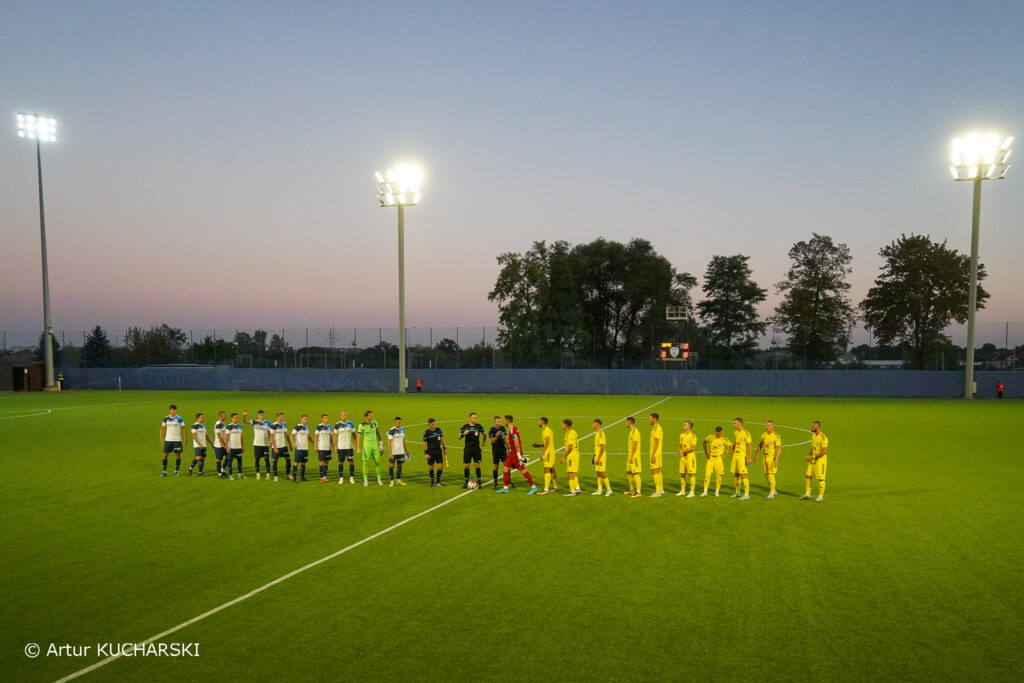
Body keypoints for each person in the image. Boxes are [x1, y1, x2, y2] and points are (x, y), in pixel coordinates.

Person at [497, 415, 536, 494]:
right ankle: (505, 488)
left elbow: (516, 442)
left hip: (515, 455)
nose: (504, 422)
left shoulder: (512, 430)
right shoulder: (512, 429)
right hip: (511, 454)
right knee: (505, 468)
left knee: (522, 470)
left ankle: (533, 487)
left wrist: (518, 454)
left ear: (507, 421)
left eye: (505, 420)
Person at [752, 420, 782, 499]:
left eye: (769, 425)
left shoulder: (776, 436)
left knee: (771, 475)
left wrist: (776, 459)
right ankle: (774, 490)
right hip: (764, 457)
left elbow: (779, 448)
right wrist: (755, 456)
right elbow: (760, 445)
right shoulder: (764, 435)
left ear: (773, 426)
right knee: (766, 475)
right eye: (766, 425)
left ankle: (771, 494)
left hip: (771, 458)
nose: (767, 427)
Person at [801, 421, 828, 502]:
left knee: (820, 478)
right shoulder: (814, 436)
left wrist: (812, 457)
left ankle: (820, 497)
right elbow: (813, 447)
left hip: (820, 461)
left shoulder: (823, 438)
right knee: (808, 475)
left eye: (812, 426)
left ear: (817, 427)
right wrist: (809, 455)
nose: (811, 428)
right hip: (813, 459)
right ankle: (807, 494)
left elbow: (824, 451)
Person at [700, 426, 730, 498]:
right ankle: (705, 492)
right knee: (707, 475)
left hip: (718, 460)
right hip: (710, 459)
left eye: (721, 434)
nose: (720, 435)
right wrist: (706, 453)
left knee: (718, 476)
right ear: (715, 432)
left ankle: (717, 492)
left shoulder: (724, 439)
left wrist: (726, 454)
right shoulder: (710, 437)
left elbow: (732, 446)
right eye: (718, 434)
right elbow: (704, 443)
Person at [242, 409, 272, 480]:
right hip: (257, 444)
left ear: (264, 415)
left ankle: (268, 474)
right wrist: (244, 416)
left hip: (265, 445)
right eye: (260, 415)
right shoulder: (254, 422)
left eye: (262, 415)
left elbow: (270, 433)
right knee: (257, 459)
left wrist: (270, 441)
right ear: (258, 415)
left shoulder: (268, 423)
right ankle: (258, 473)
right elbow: (244, 421)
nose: (261, 416)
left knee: (266, 459)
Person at [356, 410, 384, 486]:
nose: (372, 417)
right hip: (366, 446)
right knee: (365, 462)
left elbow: (377, 432)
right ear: (366, 416)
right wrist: (358, 448)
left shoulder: (374, 422)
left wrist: (381, 442)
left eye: (372, 415)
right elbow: (358, 436)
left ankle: (379, 479)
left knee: (378, 461)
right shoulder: (361, 425)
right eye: (370, 416)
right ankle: (365, 480)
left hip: (375, 445)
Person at [459, 412, 486, 489]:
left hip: (476, 449)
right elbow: (459, 437)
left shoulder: (479, 426)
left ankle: (479, 482)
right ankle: (466, 482)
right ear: (470, 418)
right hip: (468, 448)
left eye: (476, 418)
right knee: (467, 465)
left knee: (477, 465)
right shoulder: (465, 427)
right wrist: (463, 434)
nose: (475, 419)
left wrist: (483, 445)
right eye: (474, 418)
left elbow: (484, 434)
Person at [533, 417, 558, 495]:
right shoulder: (547, 430)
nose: (538, 422)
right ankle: (555, 487)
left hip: (549, 453)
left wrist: (542, 452)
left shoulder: (546, 430)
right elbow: (547, 442)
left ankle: (546, 490)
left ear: (542, 422)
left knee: (546, 469)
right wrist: (539, 445)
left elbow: (547, 442)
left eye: (539, 421)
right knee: (552, 470)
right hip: (551, 451)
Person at [159, 404, 185, 477]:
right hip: (168, 440)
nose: (174, 411)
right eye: (172, 410)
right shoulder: (166, 418)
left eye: (175, 410)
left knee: (178, 455)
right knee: (165, 455)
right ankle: (164, 471)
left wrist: (185, 438)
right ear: (170, 410)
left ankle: (176, 471)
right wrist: (161, 438)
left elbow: (184, 428)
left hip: (177, 440)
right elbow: (162, 428)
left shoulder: (179, 418)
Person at [729, 417, 753, 500]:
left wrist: (749, 457)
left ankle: (746, 494)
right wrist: (732, 455)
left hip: (742, 456)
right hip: (735, 455)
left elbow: (750, 446)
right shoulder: (736, 433)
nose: (734, 425)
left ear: (740, 423)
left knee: (743, 475)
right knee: (736, 474)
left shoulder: (746, 433)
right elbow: (735, 444)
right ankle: (737, 492)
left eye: (735, 423)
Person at [422, 418, 448, 487]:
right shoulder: (426, 432)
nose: (434, 425)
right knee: (431, 467)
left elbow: (441, 439)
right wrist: (426, 453)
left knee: (440, 467)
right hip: (431, 452)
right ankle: (432, 482)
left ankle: (438, 482)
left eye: (434, 424)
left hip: (438, 451)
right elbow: (424, 443)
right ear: (429, 425)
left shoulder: (438, 430)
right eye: (432, 424)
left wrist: (444, 447)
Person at [675, 420, 698, 497]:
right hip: (683, 457)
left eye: (685, 424)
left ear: (689, 426)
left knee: (691, 474)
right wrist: (680, 452)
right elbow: (680, 445)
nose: (683, 425)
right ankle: (683, 490)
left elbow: (693, 448)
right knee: (682, 474)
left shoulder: (693, 436)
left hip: (690, 457)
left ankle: (692, 492)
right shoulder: (682, 435)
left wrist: (683, 451)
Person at [559, 419, 582, 496]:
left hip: (572, 455)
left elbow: (570, 447)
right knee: (572, 472)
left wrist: (564, 457)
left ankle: (572, 491)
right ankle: (577, 488)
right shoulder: (572, 432)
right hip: (574, 454)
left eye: (562, 424)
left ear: (566, 425)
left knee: (570, 473)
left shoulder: (569, 434)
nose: (562, 425)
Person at [334, 411, 357, 484]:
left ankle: (351, 478)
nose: (344, 416)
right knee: (340, 462)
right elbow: (335, 436)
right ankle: (341, 478)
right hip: (340, 447)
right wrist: (335, 446)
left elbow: (354, 435)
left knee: (351, 462)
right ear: (340, 416)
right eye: (343, 415)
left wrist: (355, 445)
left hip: (349, 447)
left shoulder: (351, 424)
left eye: (345, 415)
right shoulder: (337, 425)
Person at [591, 418, 612, 496]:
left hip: (601, 456)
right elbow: (597, 448)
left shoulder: (600, 434)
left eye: (593, 424)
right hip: (597, 455)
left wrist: (599, 458)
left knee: (601, 473)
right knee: (598, 473)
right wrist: (594, 457)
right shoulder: (596, 433)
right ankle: (599, 490)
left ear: (597, 424)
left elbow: (602, 447)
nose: (592, 425)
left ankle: (609, 490)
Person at [270, 411, 291, 482]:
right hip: (277, 447)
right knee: (275, 461)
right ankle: (275, 476)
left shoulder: (284, 424)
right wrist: (275, 447)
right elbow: (271, 438)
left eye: (283, 417)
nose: (283, 418)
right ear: (278, 417)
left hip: (284, 446)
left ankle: (288, 474)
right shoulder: (273, 425)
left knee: (288, 459)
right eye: (281, 417)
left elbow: (286, 435)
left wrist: (290, 445)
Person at [386, 417, 408, 487]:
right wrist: (390, 453)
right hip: (394, 452)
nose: (400, 424)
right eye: (398, 422)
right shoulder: (391, 430)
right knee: (392, 466)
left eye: (400, 422)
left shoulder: (402, 430)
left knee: (400, 466)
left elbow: (403, 441)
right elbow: (389, 443)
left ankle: (398, 480)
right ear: (395, 422)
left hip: (401, 451)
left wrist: (406, 451)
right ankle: (392, 481)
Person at [289, 414, 311, 482]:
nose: (305, 420)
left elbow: (308, 435)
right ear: (301, 420)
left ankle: (302, 477)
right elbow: (291, 435)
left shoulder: (307, 427)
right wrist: (293, 444)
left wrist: (312, 442)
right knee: (296, 462)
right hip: (299, 448)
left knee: (303, 463)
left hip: (305, 448)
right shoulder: (297, 426)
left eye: (306, 419)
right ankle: (294, 478)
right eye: (304, 419)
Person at [488, 416, 508, 490]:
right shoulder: (491, 430)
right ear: (494, 422)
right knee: (495, 466)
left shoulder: (503, 428)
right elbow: (492, 441)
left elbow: (506, 438)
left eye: (500, 421)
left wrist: (509, 447)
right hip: (496, 450)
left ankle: (508, 481)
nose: (499, 423)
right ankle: (495, 483)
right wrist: (497, 436)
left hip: (503, 449)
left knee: (506, 465)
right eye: (498, 421)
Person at [649, 413, 665, 497]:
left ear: (654, 419)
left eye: (650, 418)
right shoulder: (658, 428)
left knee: (654, 470)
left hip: (656, 453)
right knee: (658, 470)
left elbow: (656, 442)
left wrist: (653, 454)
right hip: (658, 453)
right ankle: (661, 490)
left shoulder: (656, 429)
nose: (649, 420)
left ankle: (657, 491)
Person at [625, 416, 642, 498]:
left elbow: (635, 444)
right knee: (629, 472)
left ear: (630, 422)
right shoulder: (631, 431)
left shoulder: (635, 432)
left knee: (635, 473)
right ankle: (632, 490)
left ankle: (638, 492)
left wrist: (632, 456)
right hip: (630, 455)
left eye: (626, 422)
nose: (626, 423)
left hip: (634, 456)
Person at [224, 412, 245, 479]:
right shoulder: (229, 427)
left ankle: (240, 474)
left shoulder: (240, 426)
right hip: (231, 447)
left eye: (237, 418)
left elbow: (241, 437)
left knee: (240, 461)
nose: (237, 419)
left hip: (238, 447)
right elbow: (226, 438)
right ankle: (231, 475)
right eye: (235, 418)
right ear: (232, 419)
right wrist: (227, 447)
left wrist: (242, 446)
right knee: (230, 462)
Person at [315, 414, 333, 483]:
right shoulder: (319, 427)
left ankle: (325, 477)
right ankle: (321, 478)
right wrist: (315, 446)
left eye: (328, 418)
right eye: (326, 418)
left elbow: (331, 437)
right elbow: (316, 437)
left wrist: (332, 446)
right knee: (322, 462)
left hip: (328, 448)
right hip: (321, 448)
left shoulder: (329, 427)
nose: (327, 419)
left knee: (326, 462)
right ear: (322, 419)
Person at [213, 411, 229, 477]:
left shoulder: (223, 423)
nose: (226, 416)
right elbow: (219, 436)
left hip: (223, 444)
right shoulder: (218, 424)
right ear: (221, 416)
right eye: (224, 415)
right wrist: (224, 444)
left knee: (229, 456)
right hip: (219, 445)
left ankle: (223, 470)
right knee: (219, 459)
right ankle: (219, 473)